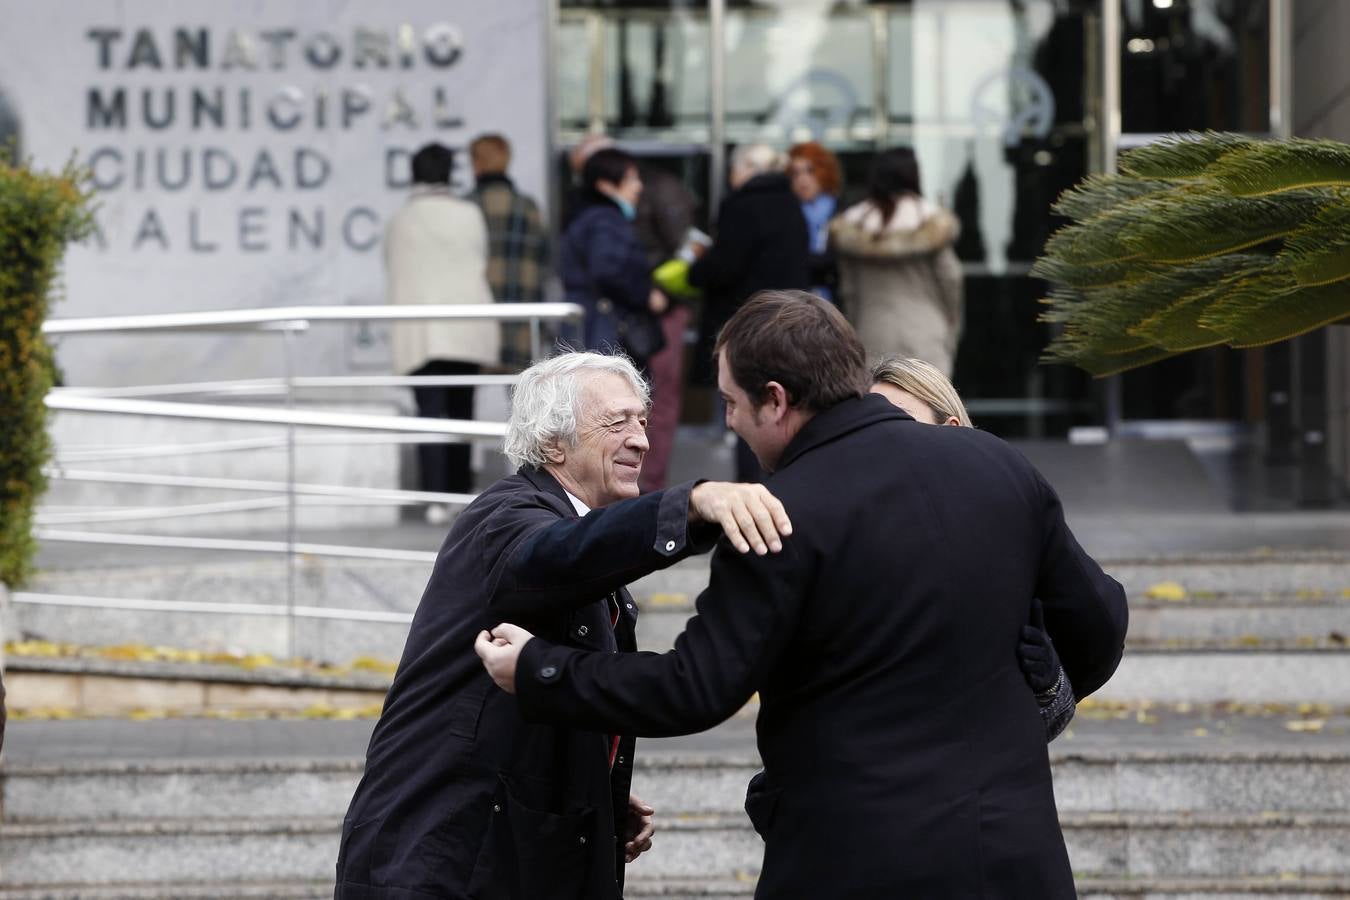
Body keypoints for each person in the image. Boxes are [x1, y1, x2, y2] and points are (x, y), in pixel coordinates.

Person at [478, 292, 1128, 899]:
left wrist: (540, 667)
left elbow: (692, 688)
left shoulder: (777, 513)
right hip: (1015, 858)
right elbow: (1099, 627)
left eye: (732, 404)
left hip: (854, 862)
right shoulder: (998, 465)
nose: (730, 423)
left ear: (777, 400)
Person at [334, 351, 792, 900]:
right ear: (552, 444)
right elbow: (558, 556)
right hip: (438, 865)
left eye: (642, 421)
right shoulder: (504, 517)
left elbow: (553, 695)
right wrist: (690, 506)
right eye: (616, 422)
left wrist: (591, 793)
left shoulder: (579, 531)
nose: (641, 440)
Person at [870, 355, 1074, 738]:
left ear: (952, 430)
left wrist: (1049, 685)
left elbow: (1046, 719)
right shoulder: (846, 533)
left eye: (898, 422)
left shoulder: (1005, 533)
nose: (881, 440)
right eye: (867, 426)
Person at [386, 143, 500, 525]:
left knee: (429, 413)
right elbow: (481, 260)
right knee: (462, 411)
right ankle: (457, 489)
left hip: (421, 330)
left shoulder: (402, 219)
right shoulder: (469, 213)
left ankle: (435, 496)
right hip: (467, 324)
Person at [688, 144, 809, 481]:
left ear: (745, 169)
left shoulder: (740, 207)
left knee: (747, 409)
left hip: (748, 325)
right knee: (781, 408)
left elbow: (725, 266)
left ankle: (752, 492)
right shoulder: (791, 204)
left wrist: (694, 271)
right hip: (788, 324)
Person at [831, 147, 964, 375]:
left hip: (872, 331)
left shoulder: (855, 225)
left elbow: (849, 291)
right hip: (926, 329)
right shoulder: (929, 221)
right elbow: (950, 279)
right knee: (930, 405)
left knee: (880, 404)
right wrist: (952, 325)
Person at [560, 147, 667, 369]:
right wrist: (645, 294)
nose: (639, 186)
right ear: (605, 185)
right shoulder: (606, 221)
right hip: (606, 333)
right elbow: (607, 271)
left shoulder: (591, 217)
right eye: (630, 179)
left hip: (594, 329)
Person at [467, 133, 550, 370]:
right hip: (522, 312)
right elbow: (544, 258)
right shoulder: (528, 207)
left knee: (464, 396)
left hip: (478, 314)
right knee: (522, 396)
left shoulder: (468, 206)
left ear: (477, 163)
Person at [787, 142, 841, 303]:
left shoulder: (841, 212)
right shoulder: (787, 214)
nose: (802, 179)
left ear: (824, 173)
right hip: (795, 302)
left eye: (810, 171)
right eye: (795, 173)